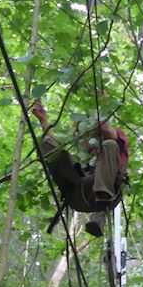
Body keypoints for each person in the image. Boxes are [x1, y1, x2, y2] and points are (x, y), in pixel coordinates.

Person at [31, 101, 128, 237]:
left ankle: (101, 205)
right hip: (81, 192)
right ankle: (98, 202)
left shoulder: (112, 139)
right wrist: (43, 121)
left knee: (109, 144)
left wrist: (100, 105)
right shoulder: (82, 156)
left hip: (110, 190)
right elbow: (54, 148)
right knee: (47, 145)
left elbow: (108, 132)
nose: (83, 140)